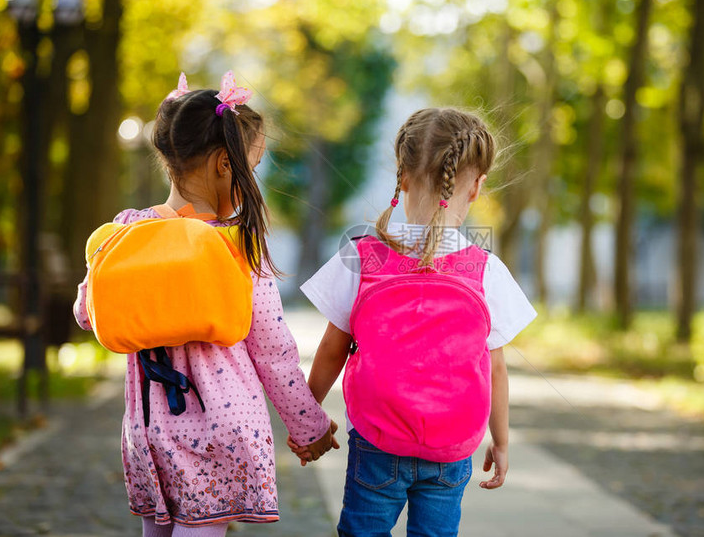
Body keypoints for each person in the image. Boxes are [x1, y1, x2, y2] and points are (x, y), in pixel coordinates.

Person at [73, 72, 337, 537]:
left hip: (148, 427)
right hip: (222, 425)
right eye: (248, 167)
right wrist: (308, 427)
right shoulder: (234, 246)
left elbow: (87, 311)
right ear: (222, 164)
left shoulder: (126, 232)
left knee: (159, 526)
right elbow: (274, 353)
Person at [295, 107, 537, 537]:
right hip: (452, 446)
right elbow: (495, 368)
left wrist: (306, 420)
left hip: (377, 440)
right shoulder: (484, 269)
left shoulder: (362, 255)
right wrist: (500, 441)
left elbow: (333, 349)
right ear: (478, 186)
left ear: (401, 176)